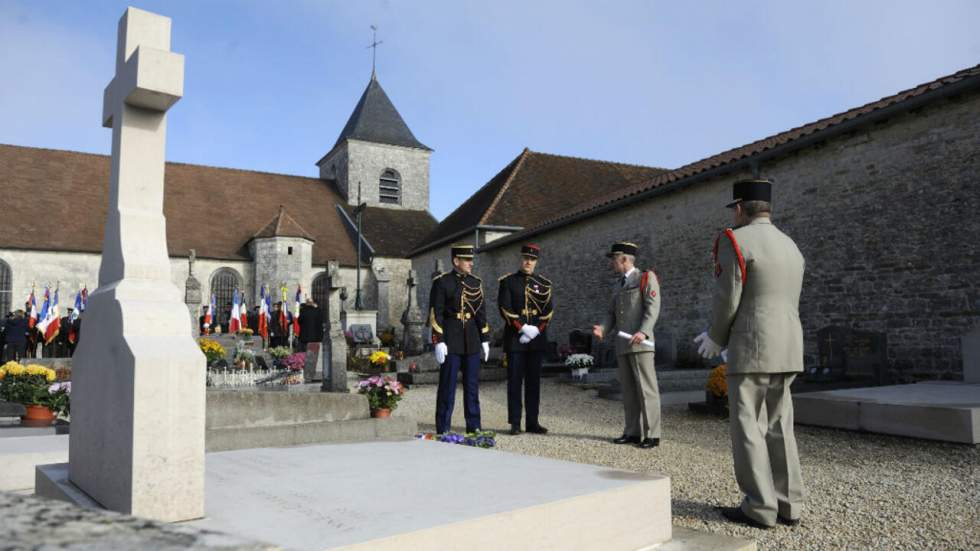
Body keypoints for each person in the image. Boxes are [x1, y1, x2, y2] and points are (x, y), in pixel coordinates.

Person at [695, 178, 805, 529]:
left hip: (753, 342)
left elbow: (728, 295)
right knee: (779, 425)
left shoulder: (735, 239)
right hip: (788, 343)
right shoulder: (791, 245)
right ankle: (789, 505)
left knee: (747, 425)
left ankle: (759, 506)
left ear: (740, 208)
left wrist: (716, 336)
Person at [592, 241, 662, 449]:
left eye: (614, 259)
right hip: (623, 344)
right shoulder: (618, 284)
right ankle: (632, 432)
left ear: (624, 259)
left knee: (646, 390)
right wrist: (603, 329)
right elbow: (611, 313)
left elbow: (653, 308)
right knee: (629, 391)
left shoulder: (645, 278)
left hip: (641, 343)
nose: (612, 263)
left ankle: (652, 434)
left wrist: (644, 331)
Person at [428, 244, 490, 434]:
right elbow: (435, 313)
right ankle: (443, 427)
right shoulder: (442, 282)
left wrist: (485, 338)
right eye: (467, 260)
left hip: (471, 340)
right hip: (451, 341)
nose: (471, 263)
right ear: (456, 261)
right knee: (447, 387)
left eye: (471, 260)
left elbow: (480, 313)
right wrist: (438, 340)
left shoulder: (475, 283)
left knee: (472, 387)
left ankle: (474, 427)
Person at [498, 244, 554, 435]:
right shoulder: (508, 281)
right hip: (515, 339)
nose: (528, 262)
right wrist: (522, 328)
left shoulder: (544, 284)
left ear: (536, 261)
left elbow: (548, 311)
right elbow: (504, 308)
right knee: (514, 381)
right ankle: (515, 422)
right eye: (525, 258)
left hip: (536, 339)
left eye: (532, 259)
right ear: (520, 259)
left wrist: (536, 330)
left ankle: (533, 422)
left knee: (534, 382)